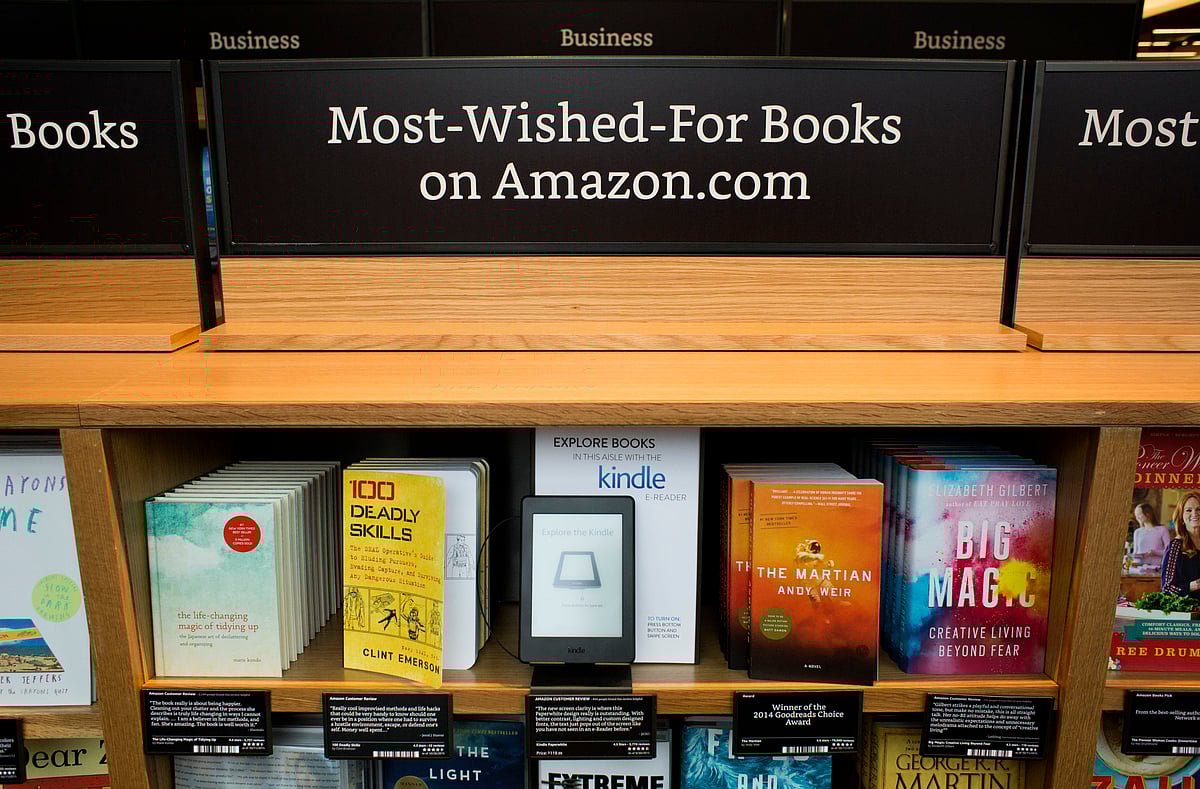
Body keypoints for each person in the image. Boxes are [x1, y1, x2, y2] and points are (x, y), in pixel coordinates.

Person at [1161, 492, 1200, 600]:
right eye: (1188, 510)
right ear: (1181, 517)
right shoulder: (1175, 546)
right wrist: (1196, 585)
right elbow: (1167, 588)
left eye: (1198, 509)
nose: (1195, 514)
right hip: (1189, 607)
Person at [1131, 502, 1172, 573]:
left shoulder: (1162, 530)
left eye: (1139, 514)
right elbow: (1135, 552)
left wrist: (1153, 552)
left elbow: (1169, 551)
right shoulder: (1137, 532)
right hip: (1140, 569)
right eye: (1136, 515)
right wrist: (1131, 558)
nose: (1137, 517)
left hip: (1157, 569)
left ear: (1148, 514)